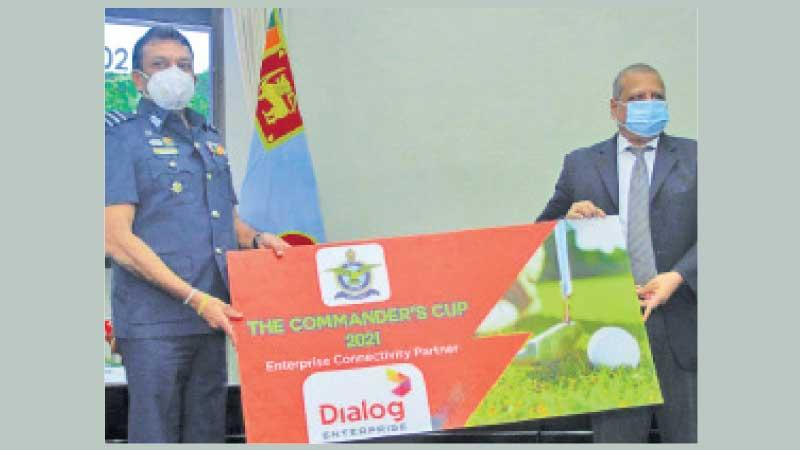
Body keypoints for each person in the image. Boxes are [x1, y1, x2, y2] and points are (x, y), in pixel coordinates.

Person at [104, 26, 290, 443]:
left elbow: (226, 221)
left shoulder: (208, 138)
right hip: (155, 324)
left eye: (184, 65)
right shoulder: (121, 139)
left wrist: (259, 240)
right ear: (139, 78)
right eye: (160, 64)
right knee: (158, 435)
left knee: (206, 433)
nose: (175, 72)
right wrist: (194, 298)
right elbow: (115, 239)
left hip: (213, 317)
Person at [537, 63, 697, 442]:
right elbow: (542, 231)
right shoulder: (581, 163)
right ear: (615, 108)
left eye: (657, 97)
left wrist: (677, 276)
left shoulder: (697, 157)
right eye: (637, 98)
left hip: (682, 322)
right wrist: (569, 219)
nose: (649, 104)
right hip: (609, 327)